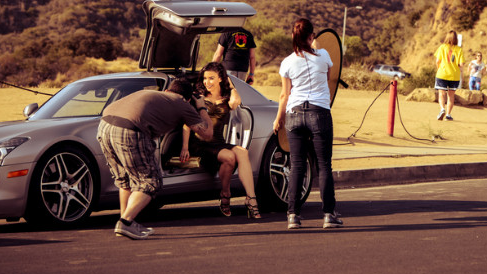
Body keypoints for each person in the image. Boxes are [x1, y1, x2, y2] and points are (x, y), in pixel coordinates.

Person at [97, 80, 213, 240]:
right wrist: (201, 107)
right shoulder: (182, 103)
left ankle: (127, 223)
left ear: (167, 90)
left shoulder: (151, 94)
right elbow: (207, 133)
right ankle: (125, 221)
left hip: (104, 126)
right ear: (188, 99)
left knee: (125, 180)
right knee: (150, 182)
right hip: (130, 130)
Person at [272, 17, 341, 230]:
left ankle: (293, 215)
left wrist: (278, 118)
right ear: (312, 36)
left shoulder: (287, 62)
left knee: (297, 165)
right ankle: (328, 215)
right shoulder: (324, 56)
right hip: (319, 112)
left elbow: (285, 94)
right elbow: (330, 77)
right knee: (324, 165)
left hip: (294, 114)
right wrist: (315, 45)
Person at [179, 62, 261, 219]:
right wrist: (184, 147)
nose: (206, 82)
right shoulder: (198, 97)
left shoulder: (227, 98)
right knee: (229, 157)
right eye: (204, 78)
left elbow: (236, 102)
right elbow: (187, 123)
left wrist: (231, 84)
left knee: (242, 152)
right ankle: (226, 193)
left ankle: (251, 199)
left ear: (221, 79)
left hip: (218, 143)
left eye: (211, 78)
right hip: (200, 144)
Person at [433, 30, 464, 121]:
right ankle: (448, 115)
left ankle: (442, 109)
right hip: (454, 75)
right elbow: (461, 64)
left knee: (441, 93)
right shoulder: (459, 49)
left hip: (442, 74)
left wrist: (440, 68)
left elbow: (437, 61)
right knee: (451, 96)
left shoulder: (442, 47)